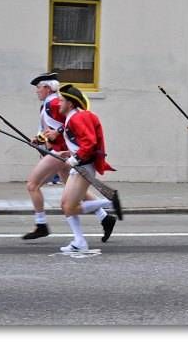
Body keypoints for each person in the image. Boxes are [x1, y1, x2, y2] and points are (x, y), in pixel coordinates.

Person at [56, 84, 116, 253]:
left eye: (61, 101)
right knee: (65, 204)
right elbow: (80, 143)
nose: (58, 103)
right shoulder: (72, 117)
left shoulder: (77, 117)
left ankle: (111, 202)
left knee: (70, 206)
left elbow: (89, 142)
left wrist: (75, 158)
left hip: (84, 167)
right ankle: (79, 241)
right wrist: (68, 153)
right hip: (79, 166)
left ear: (70, 103)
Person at [22, 72, 71, 240]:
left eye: (38, 87)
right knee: (71, 187)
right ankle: (104, 215)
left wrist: (56, 133)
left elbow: (71, 123)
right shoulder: (47, 104)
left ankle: (41, 224)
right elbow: (51, 128)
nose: (36, 91)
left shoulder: (55, 102)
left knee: (32, 185)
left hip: (59, 152)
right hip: (57, 152)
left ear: (48, 88)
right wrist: (39, 138)